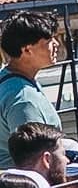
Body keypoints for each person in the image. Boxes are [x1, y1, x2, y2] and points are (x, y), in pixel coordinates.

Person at [0, 12, 64, 149]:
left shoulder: (10, 81)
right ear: (27, 50)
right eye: (49, 41)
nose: (56, 44)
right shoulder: (23, 98)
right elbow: (34, 155)